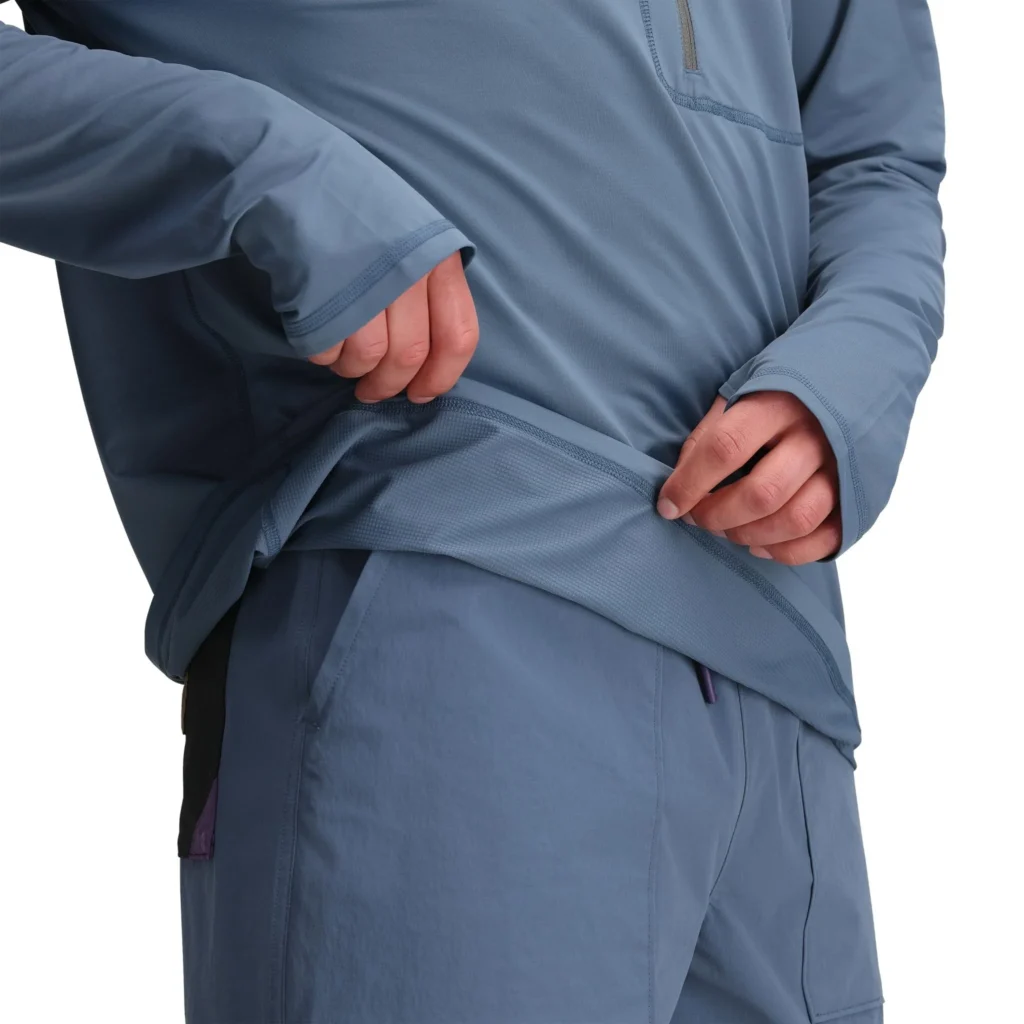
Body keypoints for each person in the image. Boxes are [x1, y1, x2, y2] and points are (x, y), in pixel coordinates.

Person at [0, 0, 944, 1020]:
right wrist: (259, 159)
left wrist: (853, 372)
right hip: (436, 595)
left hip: (782, 676)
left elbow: (873, 152)